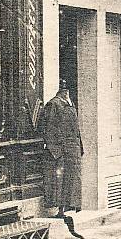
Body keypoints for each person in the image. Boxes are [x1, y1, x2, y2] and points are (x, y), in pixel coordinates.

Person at [42, 80, 84, 219]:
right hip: (62, 150)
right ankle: (59, 210)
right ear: (60, 91)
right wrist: (56, 151)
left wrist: (80, 147)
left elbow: (76, 129)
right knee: (59, 182)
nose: (67, 93)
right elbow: (49, 129)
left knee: (71, 180)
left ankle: (65, 209)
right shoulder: (53, 104)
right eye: (64, 91)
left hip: (73, 150)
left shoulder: (70, 104)